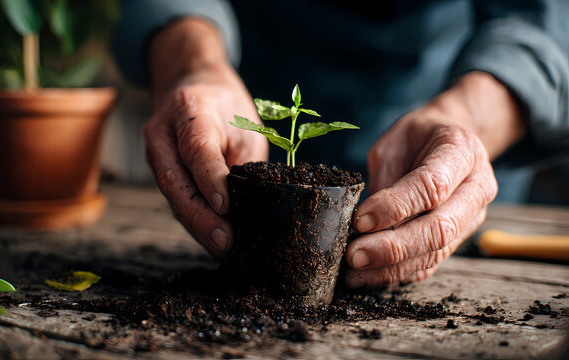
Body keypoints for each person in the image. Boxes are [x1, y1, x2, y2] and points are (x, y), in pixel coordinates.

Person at [112, 0, 569, 289]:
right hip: (242, 101)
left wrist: (464, 118)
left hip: (435, 95)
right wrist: (193, 62)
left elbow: (540, 23)